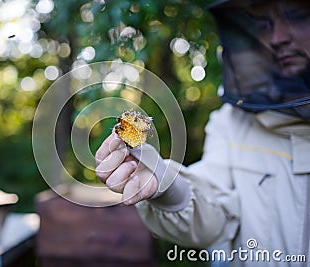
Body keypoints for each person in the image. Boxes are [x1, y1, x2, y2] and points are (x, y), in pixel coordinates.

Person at [95, 0, 310, 266]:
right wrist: (166, 185)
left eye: (296, 16)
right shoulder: (231, 122)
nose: (276, 38)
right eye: (264, 23)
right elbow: (214, 214)